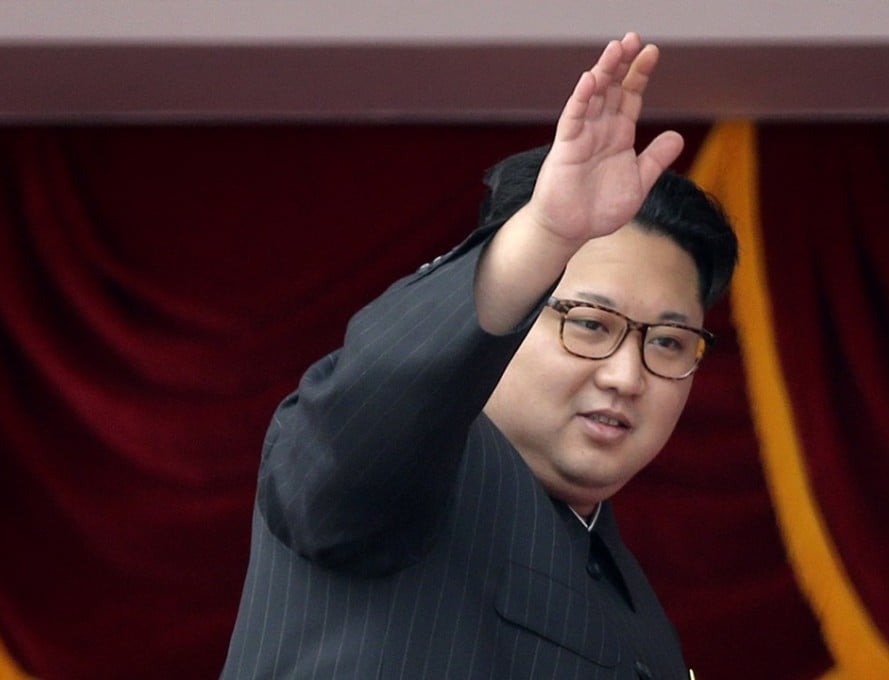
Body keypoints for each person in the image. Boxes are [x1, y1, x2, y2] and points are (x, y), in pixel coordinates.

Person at [222, 32, 737, 679]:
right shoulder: (411, 474)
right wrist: (544, 234)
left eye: (666, 341)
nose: (626, 375)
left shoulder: (633, 598)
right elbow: (371, 402)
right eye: (588, 323)